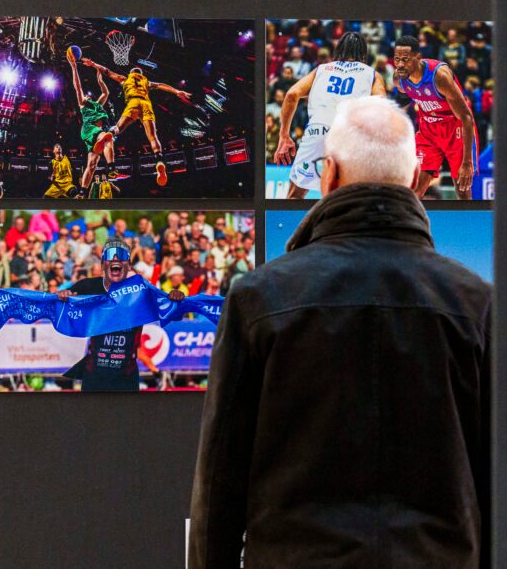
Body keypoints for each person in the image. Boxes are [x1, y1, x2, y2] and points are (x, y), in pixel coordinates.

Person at [189, 96, 491, 567]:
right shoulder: (476, 304)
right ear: (416, 179)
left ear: (327, 175)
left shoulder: (258, 299)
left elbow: (218, 487)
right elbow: (497, 490)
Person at [56, 240, 185, 391]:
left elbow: (174, 315)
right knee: (91, 415)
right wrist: (64, 295)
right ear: (103, 263)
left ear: (128, 265)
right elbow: (62, 304)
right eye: (110, 255)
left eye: (122, 255)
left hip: (126, 377)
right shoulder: (88, 286)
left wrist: (177, 301)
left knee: (127, 415)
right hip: (94, 376)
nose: (116, 258)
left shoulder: (141, 290)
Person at [274, 32, 387, 199]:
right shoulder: (371, 74)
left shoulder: (321, 70)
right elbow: (382, 106)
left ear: (338, 49)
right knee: (347, 199)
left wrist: (284, 136)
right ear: (364, 53)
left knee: (295, 195)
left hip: (318, 131)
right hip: (348, 135)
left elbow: (291, 95)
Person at [82, 58, 192, 186]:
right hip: (145, 104)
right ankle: (159, 160)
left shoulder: (125, 79)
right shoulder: (145, 80)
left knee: (118, 127)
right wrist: (177, 91)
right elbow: (161, 85)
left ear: (131, 73)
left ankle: (110, 134)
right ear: (141, 74)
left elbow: (107, 71)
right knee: (152, 137)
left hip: (133, 103)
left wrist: (94, 64)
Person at [393, 35, 479, 199]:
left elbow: (466, 118)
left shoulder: (440, 77)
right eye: (397, 59)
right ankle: (412, 224)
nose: (400, 64)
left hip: (455, 128)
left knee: (463, 190)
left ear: (418, 58)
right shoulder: (399, 79)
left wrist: (467, 163)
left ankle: (467, 223)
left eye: (405, 59)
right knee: (414, 190)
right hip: (428, 131)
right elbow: (403, 100)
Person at [66, 52, 117, 193]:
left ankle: (82, 192)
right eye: (85, 95)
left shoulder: (98, 104)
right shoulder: (83, 104)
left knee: (92, 164)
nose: (86, 96)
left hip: (93, 135)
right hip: (90, 129)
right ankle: (112, 168)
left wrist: (100, 78)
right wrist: (74, 67)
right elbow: (78, 87)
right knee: (107, 138)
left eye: (88, 95)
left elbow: (105, 93)